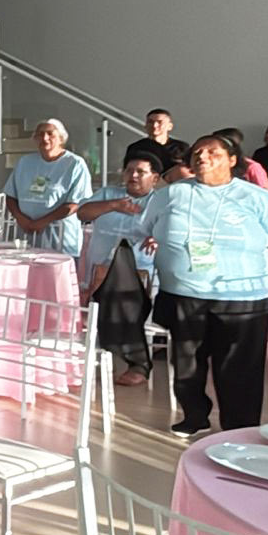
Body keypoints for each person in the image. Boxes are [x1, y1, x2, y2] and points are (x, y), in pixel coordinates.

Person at [141, 135, 268, 434]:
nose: (202, 157)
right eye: (197, 152)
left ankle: (239, 430)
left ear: (232, 160)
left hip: (242, 298)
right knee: (187, 363)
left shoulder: (257, 198)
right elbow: (147, 226)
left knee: (240, 368)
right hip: (183, 292)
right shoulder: (171, 194)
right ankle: (194, 416)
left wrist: (263, 259)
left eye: (212, 152)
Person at [77, 151, 160, 385]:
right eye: (129, 171)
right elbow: (82, 213)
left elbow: (173, 228)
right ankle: (125, 360)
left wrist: (159, 237)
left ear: (154, 178)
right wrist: (113, 205)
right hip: (100, 271)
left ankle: (135, 362)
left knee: (122, 296)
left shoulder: (160, 202)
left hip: (141, 275)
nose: (133, 175)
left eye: (141, 172)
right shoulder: (108, 194)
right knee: (106, 294)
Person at [3, 118, 92, 258]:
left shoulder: (75, 164)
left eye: (50, 134)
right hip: (26, 236)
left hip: (60, 239)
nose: (45, 138)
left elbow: (75, 203)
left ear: (61, 138)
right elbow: (10, 195)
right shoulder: (25, 162)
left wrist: (43, 222)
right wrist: (20, 218)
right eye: (40, 134)